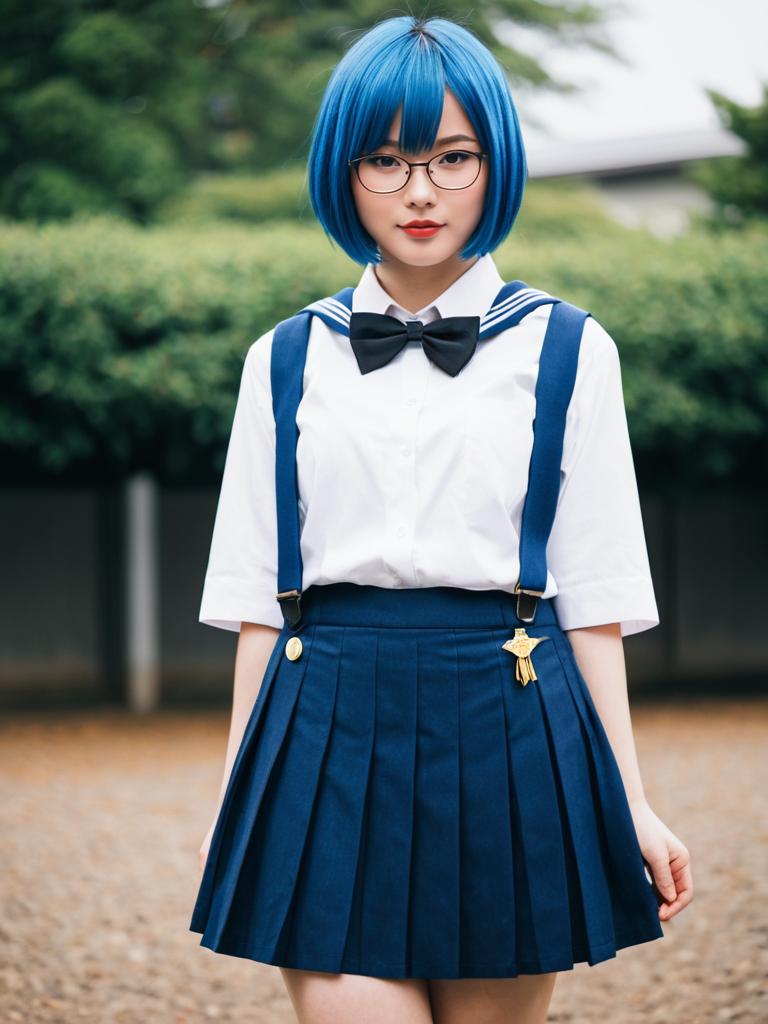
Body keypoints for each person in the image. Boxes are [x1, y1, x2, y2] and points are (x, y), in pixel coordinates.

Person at [189, 14, 693, 1024]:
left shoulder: (570, 348)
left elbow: (589, 599)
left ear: (493, 161)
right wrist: (239, 793)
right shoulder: (283, 358)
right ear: (347, 170)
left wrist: (628, 798)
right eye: (386, 159)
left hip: (509, 714)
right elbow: (257, 602)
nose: (420, 191)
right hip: (323, 714)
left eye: (451, 157)